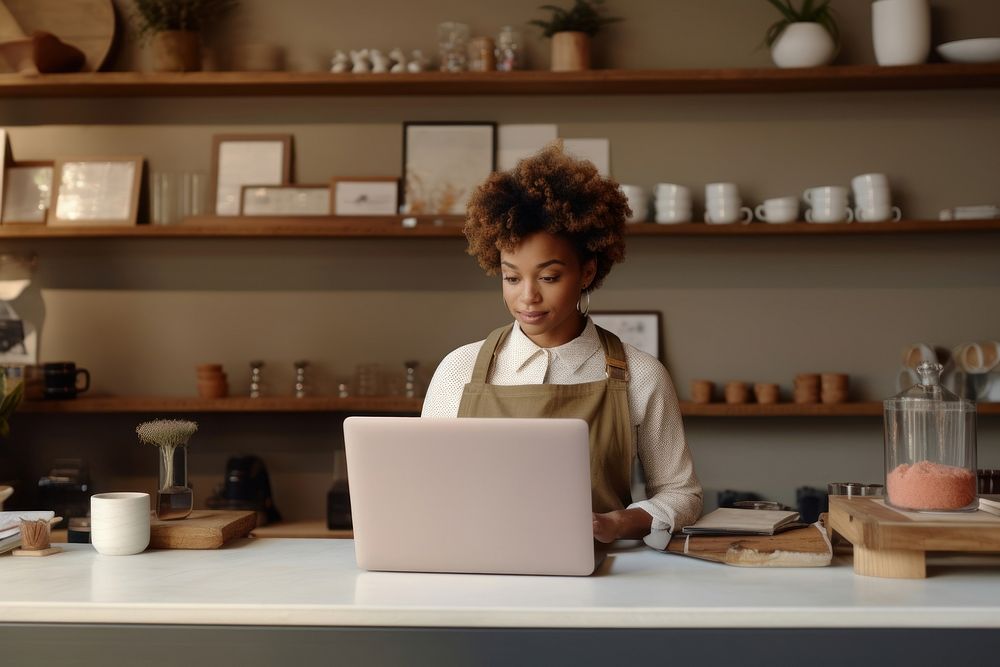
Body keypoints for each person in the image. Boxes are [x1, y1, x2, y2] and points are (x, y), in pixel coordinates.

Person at [421, 144, 702, 543]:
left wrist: (617, 523)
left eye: (549, 277)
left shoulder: (640, 375)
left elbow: (681, 494)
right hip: (476, 568)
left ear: (587, 272)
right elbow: (424, 486)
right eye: (512, 277)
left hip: (597, 575)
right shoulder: (458, 370)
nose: (527, 297)